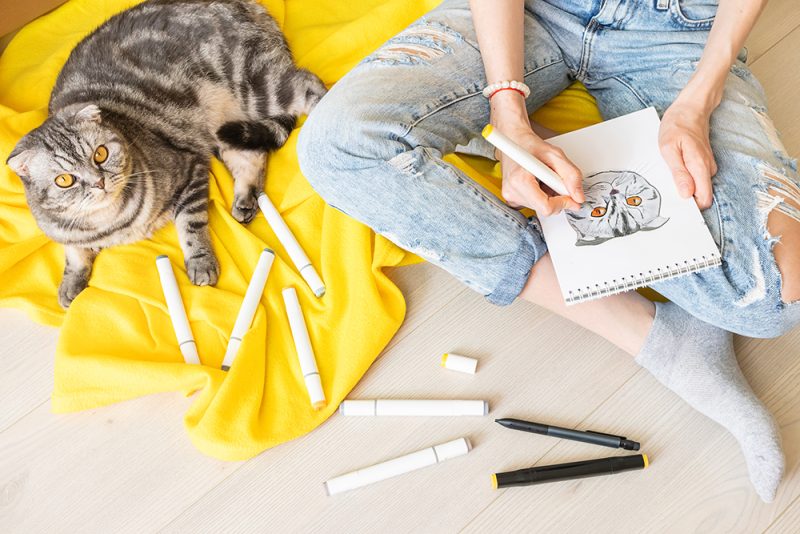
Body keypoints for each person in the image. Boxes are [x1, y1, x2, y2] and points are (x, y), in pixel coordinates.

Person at [296, 0, 800, 502]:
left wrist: (697, 102)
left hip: (679, 32)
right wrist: (508, 113)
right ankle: (651, 337)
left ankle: (551, 150)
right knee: (338, 146)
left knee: (775, 297)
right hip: (532, 11)